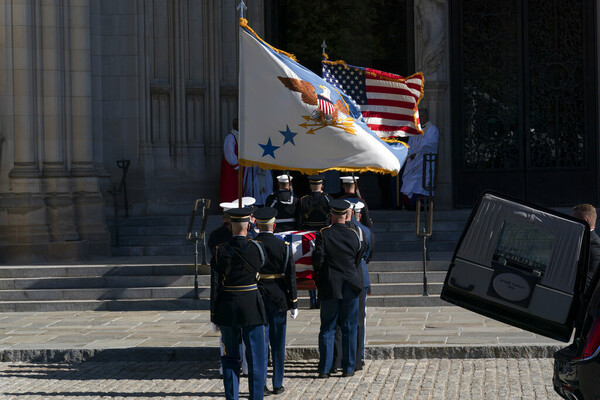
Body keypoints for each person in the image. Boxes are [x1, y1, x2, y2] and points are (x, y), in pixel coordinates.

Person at [210, 207, 267, 400]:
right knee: (256, 358)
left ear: (231, 226)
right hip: (251, 304)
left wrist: (214, 315)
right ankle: (256, 396)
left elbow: (215, 287)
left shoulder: (220, 251)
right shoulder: (258, 248)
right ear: (249, 225)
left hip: (227, 307)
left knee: (229, 358)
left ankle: (232, 397)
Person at [312, 200, 363, 378]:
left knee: (328, 328)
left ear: (332, 215)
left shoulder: (324, 233)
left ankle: (325, 369)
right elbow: (358, 256)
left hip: (329, 285)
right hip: (350, 284)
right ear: (346, 216)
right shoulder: (354, 233)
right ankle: (348, 368)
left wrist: (319, 275)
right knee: (350, 326)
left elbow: (318, 258)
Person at [254, 207, 299, 395]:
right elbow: (291, 276)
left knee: (260, 344)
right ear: (273, 225)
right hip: (280, 296)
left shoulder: (252, 245)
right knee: (278, 343)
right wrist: (294, 302)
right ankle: (278, 383)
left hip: (257, 295)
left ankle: (261, 385)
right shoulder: (284, 246)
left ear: (257, 225)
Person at [300, 174, 332, 309]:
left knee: (309, 267)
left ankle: (312, 299)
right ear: (322, 186)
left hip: (307, 236)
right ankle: (320, 297)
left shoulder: (303, 200)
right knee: (322, 266)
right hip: (322, 235)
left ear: (310, 186)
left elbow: (300, 221)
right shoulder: (328, 199)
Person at [400, 108, 439, 210]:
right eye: (419, 116)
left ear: (427, 116)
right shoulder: (416, 130)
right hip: (414, 161)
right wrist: (412, 154)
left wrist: (417, 154)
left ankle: (422, 206)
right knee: (410, 181)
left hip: (424, 162)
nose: (420, 118)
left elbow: (429, 144)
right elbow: (411, 144)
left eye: (422, 116)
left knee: (421, 183)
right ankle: (411, 205)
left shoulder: (432, 129)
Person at [571, 204, 600, 338]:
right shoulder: (580, 240)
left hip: (585, 306)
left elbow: (590, 278)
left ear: (585, 221)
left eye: (574, 219)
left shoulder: (594, 244)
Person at [220, 118, 241, 203]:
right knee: (231, 193)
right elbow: (229, 155)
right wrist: (237, 166)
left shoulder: (241, 136)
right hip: (233, 170)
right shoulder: (230, 137)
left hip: (240, 170)